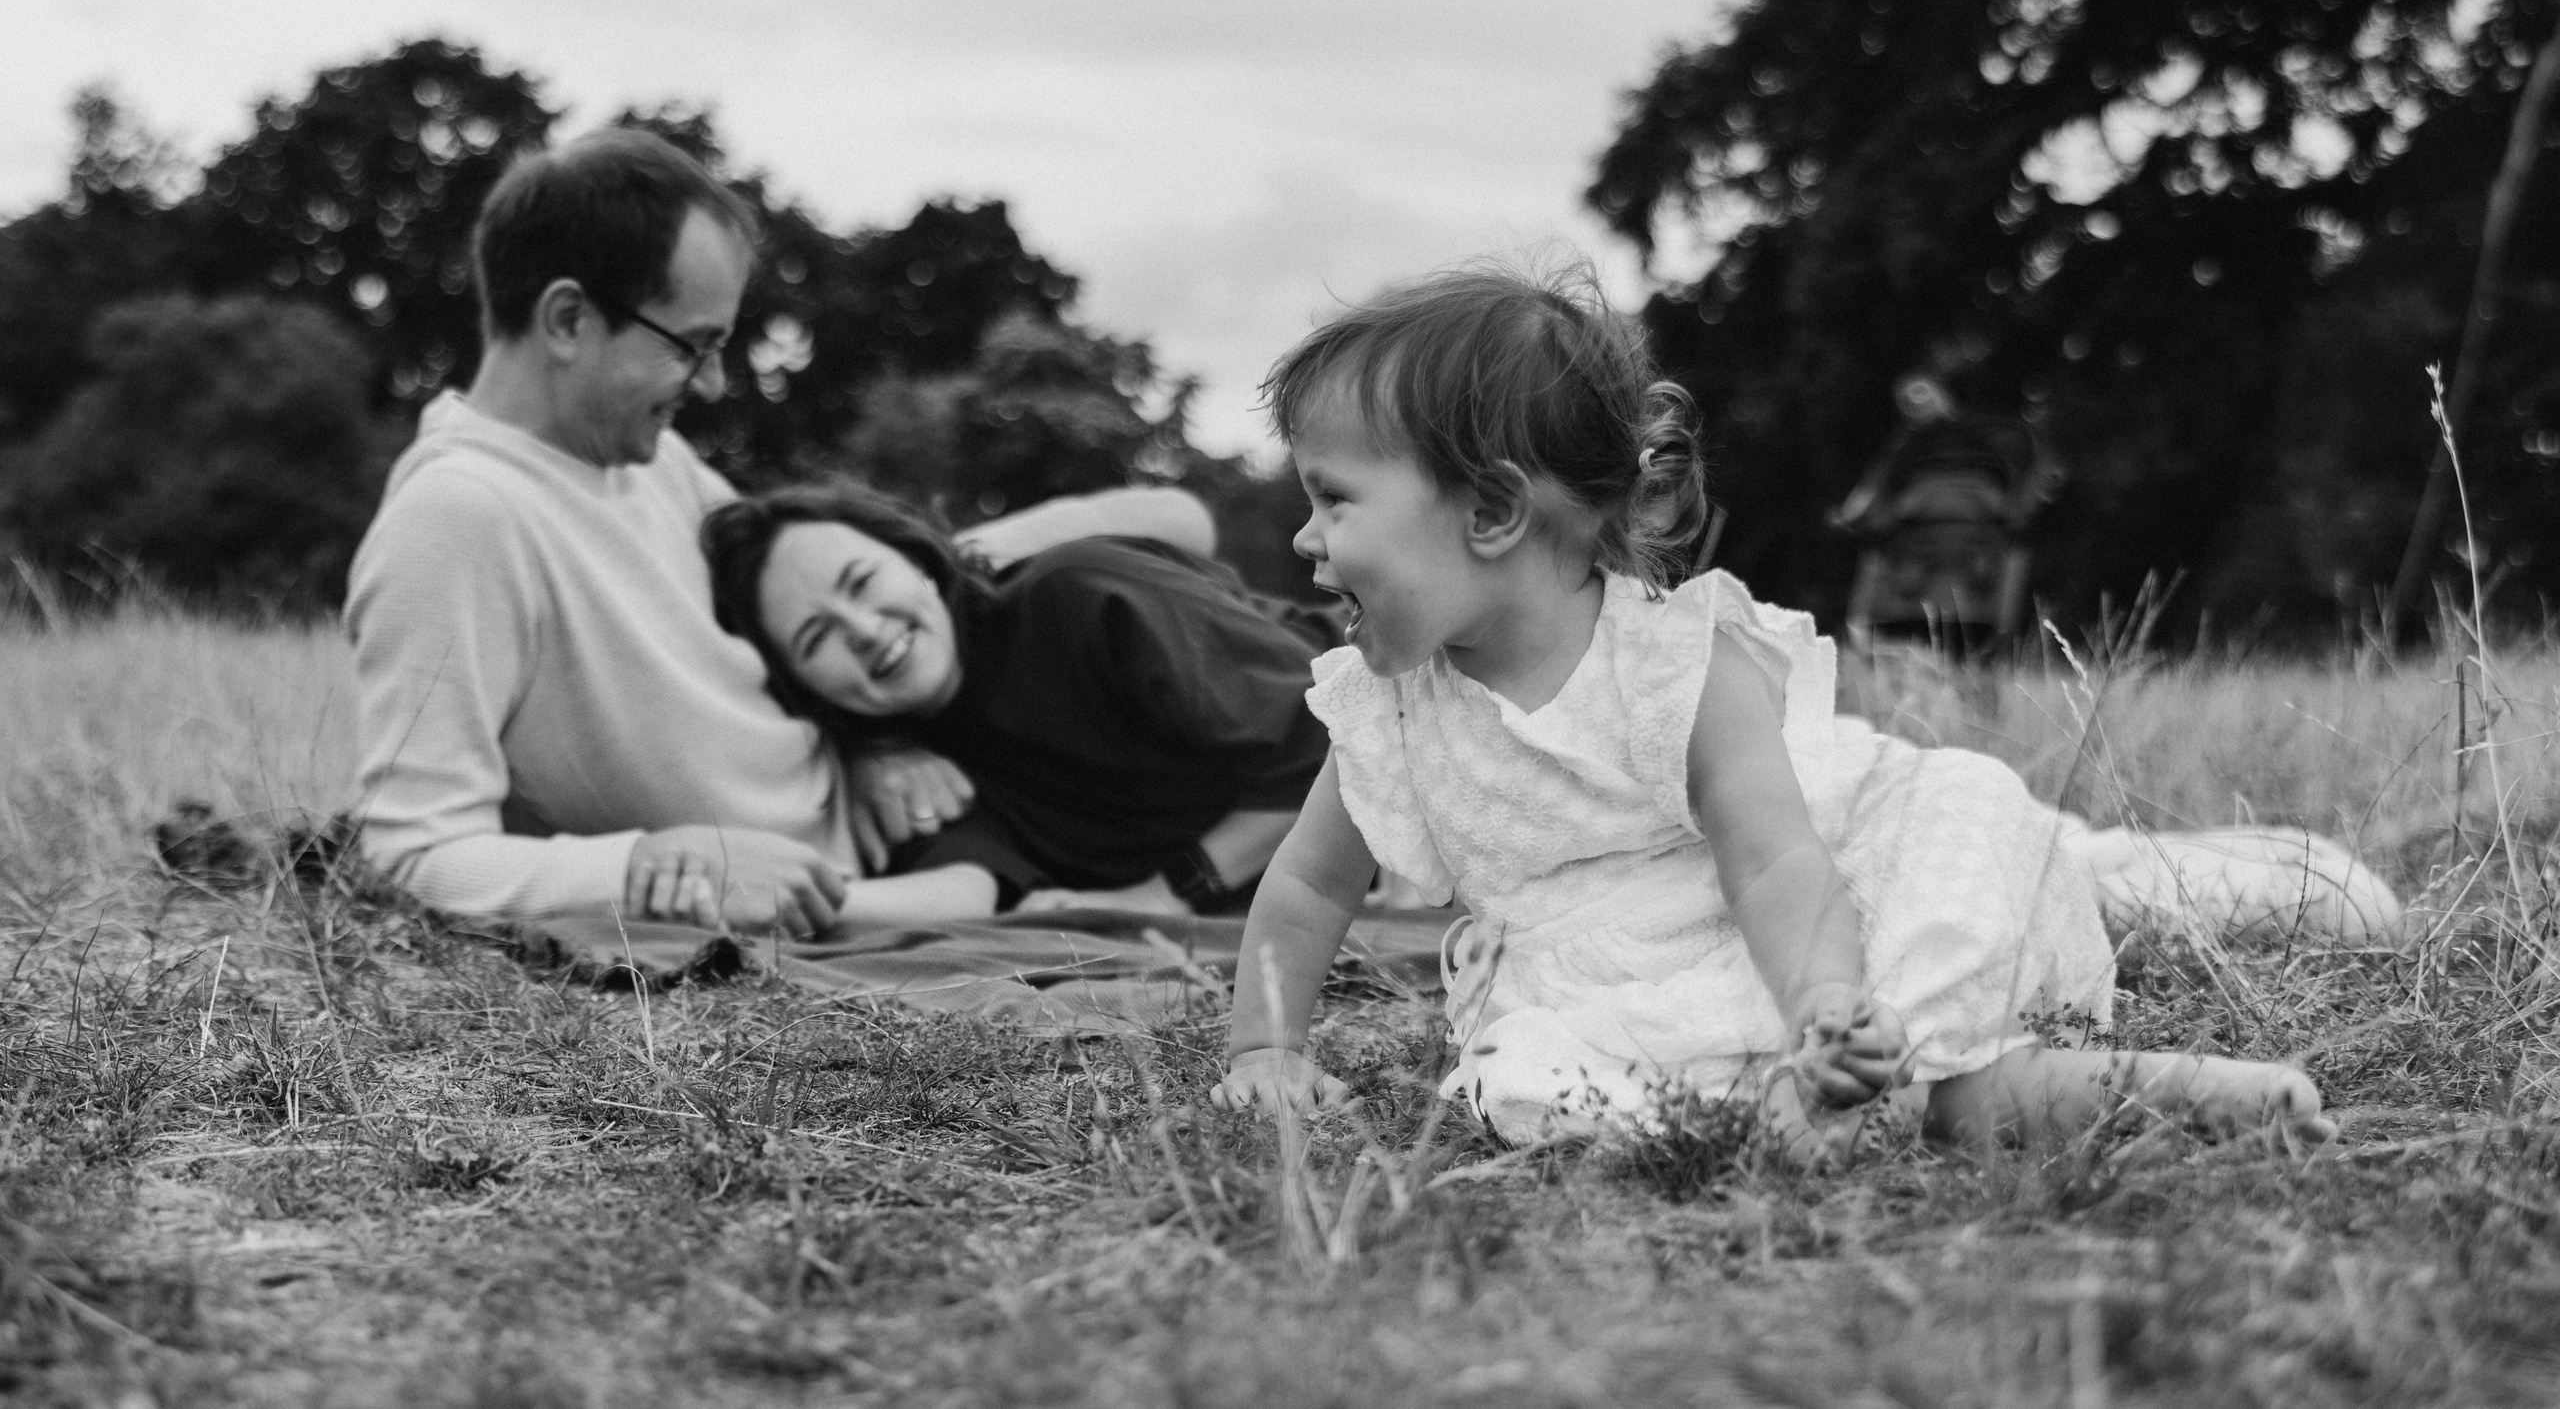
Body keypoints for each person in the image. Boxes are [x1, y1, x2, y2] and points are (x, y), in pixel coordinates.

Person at [1210, 263, 2338, 1158]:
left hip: (1793, 929)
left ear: (1493, 510)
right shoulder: (1389, 708)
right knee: (1537, 1081)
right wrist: (1265, 1046)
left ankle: (1973, 1073)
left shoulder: (1673, 669)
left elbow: (1776, 866)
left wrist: (1826, 1004)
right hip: (1603, 985)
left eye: (1333, 499)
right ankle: (1879, 1109)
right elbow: (1310, 883)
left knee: (1939, 921)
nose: (1307, 539)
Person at [347, 128, 1212, 936]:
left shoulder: (654, 462)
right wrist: (655, 865)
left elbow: (808, 601)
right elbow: (413, 854)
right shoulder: (455, 520)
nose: (715, 381)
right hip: (892, 881)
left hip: (949, 786)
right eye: (693, 344)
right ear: (569, 320)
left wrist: (873, 740)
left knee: (1166, 550)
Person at [697, 480, 1337, 926]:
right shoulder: (907, 764)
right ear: (805, 688)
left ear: (917, 560)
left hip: (1399, 690)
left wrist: (1167, 894)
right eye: (816, 638)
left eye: (862, 582)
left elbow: (1330, 729)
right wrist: (782, 896)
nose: (862, 630)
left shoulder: (1079, 594)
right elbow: (969, 890)